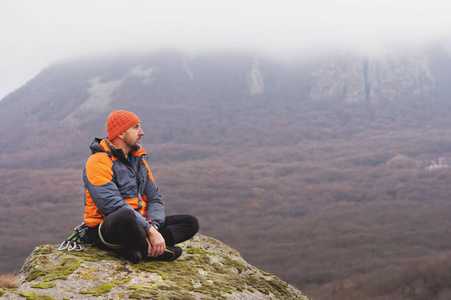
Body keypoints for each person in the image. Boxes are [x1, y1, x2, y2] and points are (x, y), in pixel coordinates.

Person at [82, 110, 199, 263]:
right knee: (125, 216)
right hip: (108, 227)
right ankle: (149, 249)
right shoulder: (98, 162)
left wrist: (153, 227)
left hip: (139, 224)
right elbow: (111, 205)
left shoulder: (139, 161)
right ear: (121, 134)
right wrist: (148, 230)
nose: (142, 133)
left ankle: (139, 248)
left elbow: (155, 198)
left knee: (190, 222)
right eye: (136, 127)